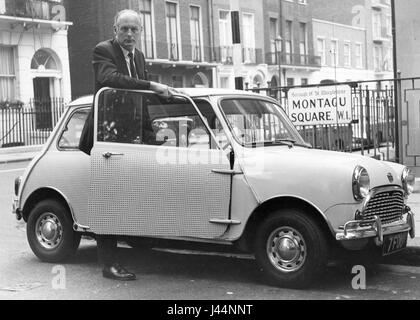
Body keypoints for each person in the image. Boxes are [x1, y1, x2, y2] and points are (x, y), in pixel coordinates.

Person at [79, 9, 173, 281]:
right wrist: (152, 84)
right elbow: (112, 80)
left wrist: (154, 132)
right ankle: (109, 265)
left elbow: (141, 100)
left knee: (129, 198)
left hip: (132, 138)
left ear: (140, 32)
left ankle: (130, 252)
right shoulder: (103, 51)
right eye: (125, 29)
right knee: (108, 200)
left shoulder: (139, 56)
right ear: (115, 30)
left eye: (135, 29)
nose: (130, 34)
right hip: (107, 138)